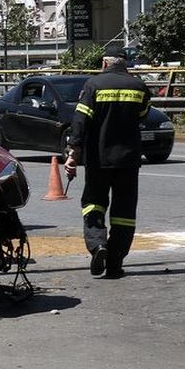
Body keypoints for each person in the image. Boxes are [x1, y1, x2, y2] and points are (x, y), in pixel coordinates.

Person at [64, 46, 151, 279]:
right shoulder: (139, 86)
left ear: (104, 63)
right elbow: (142, 115)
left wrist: (73, 152)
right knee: (124, 212)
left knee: (94, 204)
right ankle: (115, 262)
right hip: (129, 160)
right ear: (125, 64)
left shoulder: (93, 85)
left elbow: (80, 120)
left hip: (99, 159)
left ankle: (98, 245)